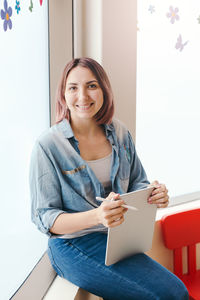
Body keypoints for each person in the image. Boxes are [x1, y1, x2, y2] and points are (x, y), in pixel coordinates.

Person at [29, 57, 188, 300]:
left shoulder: (120, 132)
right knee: (170, 294)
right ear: (63, 93)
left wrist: (154, 194)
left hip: (117, 239)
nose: (82, 96)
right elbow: (45, 218)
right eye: (73, 87)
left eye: (91, 85)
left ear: (104, 89)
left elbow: (138, 182)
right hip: (73, 245)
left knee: (174, 291)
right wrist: (97, 215)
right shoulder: (48, 145)